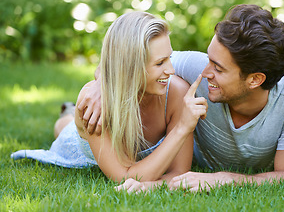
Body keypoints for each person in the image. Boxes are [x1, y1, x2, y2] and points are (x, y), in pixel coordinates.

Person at [77, 4, 284, 192]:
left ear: (255, 79)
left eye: (218, 68)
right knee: (72, 126)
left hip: (156, 148)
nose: (205, 72)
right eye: (208, 59)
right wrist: (100, 84)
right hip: (121, 137)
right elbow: (128, 56)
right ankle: (68, 115)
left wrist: (223, 179)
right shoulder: (195, 67)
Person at [11, 11, 208, 192]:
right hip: (82, 150)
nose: (171, 70)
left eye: (169, 58)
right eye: (159, 63)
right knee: (64, 128)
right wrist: (182, 127)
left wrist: (150, 186)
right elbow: (125, 177)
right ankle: (68, 114)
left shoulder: (177, 92)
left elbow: (180, 174)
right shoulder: (95, 104)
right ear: (130, 66)